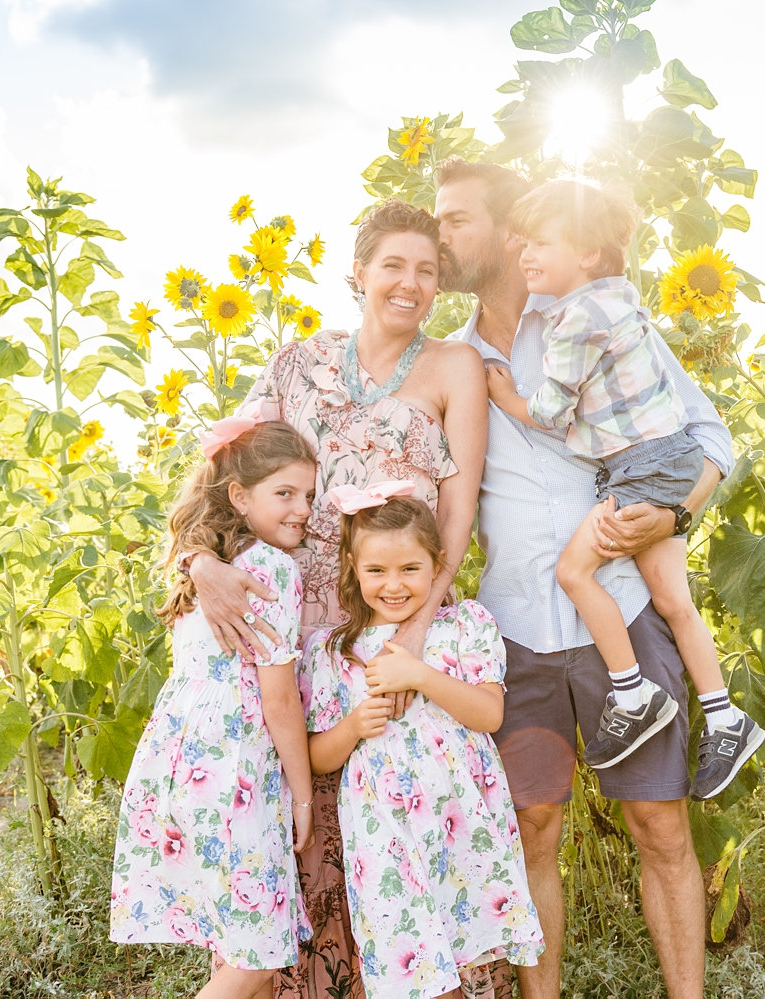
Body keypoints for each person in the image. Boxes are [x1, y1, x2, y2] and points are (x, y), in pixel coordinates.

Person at [436, 156, 732, 998]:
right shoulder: (451, 360)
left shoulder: (593, 313)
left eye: (459, 220)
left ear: (511, 231)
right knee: (533, 825)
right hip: (516, 630)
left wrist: (677, 513)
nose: (444, 235)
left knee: (660, 823)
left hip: (621, 613)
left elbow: (711, 436)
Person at [186, 198, 493, 998]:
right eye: (393, 264)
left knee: (397, 831)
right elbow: (224, 468)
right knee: (296, 835)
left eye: (427, 271)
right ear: (357, 273)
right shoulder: (296, 362)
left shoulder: (452, 366)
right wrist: (195, 559)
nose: (411, 283)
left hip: (393, 621)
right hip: (293, 636)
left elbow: (459, 510)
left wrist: (418, 630)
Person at [485, 178, 762, 797]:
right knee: (673, 599)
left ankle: (632, 692)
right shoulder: (618, 303)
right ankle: (724, 715)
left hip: (640, 470)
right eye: (523, 242)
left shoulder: (576, 319)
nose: (525, 254)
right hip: (666, 460)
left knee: (575, 572)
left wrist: (505, 393)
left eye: (541, 243)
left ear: (587, 254)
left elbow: (552, 412)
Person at [304, 487, 543, 999]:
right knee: (411, 961)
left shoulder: (465, 626)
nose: (394, 585)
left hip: (459, 824)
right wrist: (352, 727)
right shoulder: (333, 650)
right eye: (377, 571)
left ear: (437, 564)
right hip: (385, 834)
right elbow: (318, 757)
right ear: (352, 566)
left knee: (468, 948)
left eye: (410, 569)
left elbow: (488, 713)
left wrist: (420, 673)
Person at [110, 419, 317, 999]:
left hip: (180, 764)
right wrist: (302, 796)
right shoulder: (273, 571)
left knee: (231, 944)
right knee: (257, 957)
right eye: (285, 493)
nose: (302, 509)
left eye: (308, 495)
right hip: (235, 773)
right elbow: (278, 698)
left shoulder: (208, 572)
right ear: (239, 495)